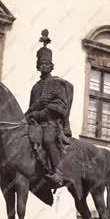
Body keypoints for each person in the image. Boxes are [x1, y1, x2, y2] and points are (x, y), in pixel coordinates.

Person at [24, 29, 73, 187]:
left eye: (46, 64)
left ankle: (59, 173)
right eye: (41, 64)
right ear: (38, 67)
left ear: (51, 67)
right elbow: (31, 107)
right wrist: (29, 116)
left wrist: (41, 113)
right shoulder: (35, 87)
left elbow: (60, 104)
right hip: (36, 123)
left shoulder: (57, 83)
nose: (43, 66)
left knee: (48, 140)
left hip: (51, 123)